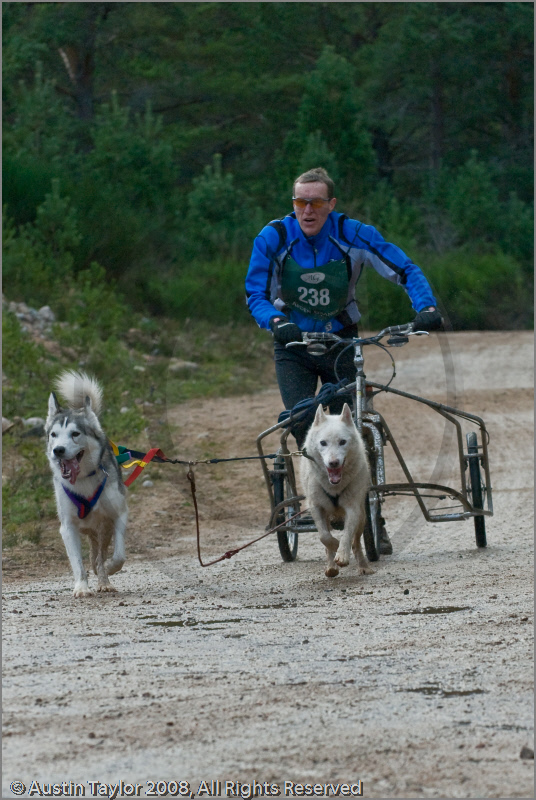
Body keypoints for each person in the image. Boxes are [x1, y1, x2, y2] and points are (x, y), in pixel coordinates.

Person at [245, 167, 442, 554]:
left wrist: (426, 306)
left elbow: (405, 268)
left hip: (341, 341)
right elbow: (256, 293)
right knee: (303, 423)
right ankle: (318, 503)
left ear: (330, 204)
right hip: (294, 346)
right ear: (293, 204)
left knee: (352, 430)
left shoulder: (353, 234)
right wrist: (276, 320)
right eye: (300, 202)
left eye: (316, 202)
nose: (308, 210)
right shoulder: (275, 237)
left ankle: (373, 517)